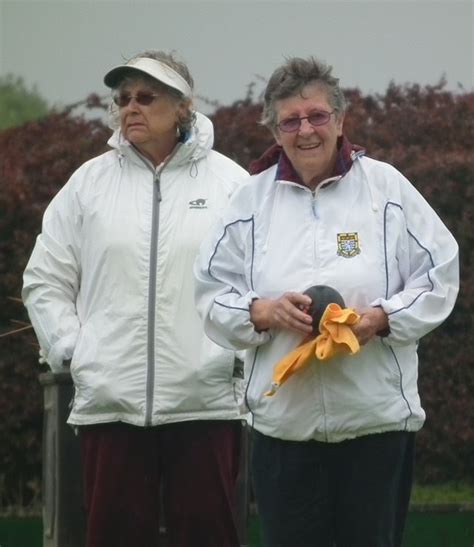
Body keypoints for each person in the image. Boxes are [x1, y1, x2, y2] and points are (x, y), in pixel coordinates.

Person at [194, 56, 459, 547]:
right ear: (275, 130)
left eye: (317, 116)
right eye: (290, 121)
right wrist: (263, 312)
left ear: (340, 120)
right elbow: (211, 291)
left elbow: (440, 275)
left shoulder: (387, 189)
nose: (306, 130)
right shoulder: (249, 203)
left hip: (375, 425)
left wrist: (381, 319)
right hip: (284, 434)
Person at [22, 50, 248, 547]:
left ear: (183, 106)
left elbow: (260, 283)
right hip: (111, 406)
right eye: (123, 99)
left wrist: (233, 357)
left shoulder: (232, 184)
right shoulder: (88, 185)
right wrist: (74, 353)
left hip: (205, 405)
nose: (131, 108)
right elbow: (44, 278)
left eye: (147, 97)